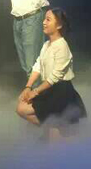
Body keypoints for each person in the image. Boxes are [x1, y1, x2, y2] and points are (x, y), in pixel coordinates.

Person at [16, 8, 87, 141]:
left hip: (61, 92)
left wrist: (35, 92)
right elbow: (38, 66)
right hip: (49, 90)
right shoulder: (46, 45)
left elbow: (55, 76)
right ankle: (52, 130)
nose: (44, 22)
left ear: (59, 25)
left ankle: (59, 133)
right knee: (21, 108)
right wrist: (28, 87)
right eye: (44, 19)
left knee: (56, 142)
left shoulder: (62, 46)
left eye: (48, 20)